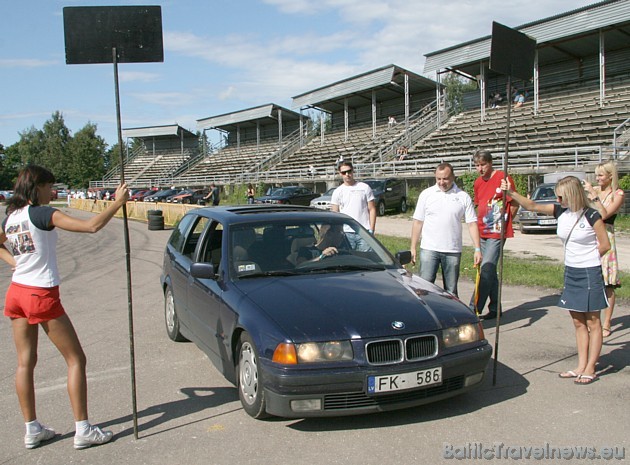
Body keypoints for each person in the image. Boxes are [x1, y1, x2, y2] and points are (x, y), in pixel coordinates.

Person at [0, 165, 130, 449]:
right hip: (39, 293)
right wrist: (117, 203)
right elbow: (91, 226)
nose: (53, 191)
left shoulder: (10, 218)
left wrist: (17, 265)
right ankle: (83, 429)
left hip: (17, 292)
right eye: (49, 186)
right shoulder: (42, 213)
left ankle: (32, 429)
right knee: (76, 359)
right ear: (37, 188)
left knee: (25, 362)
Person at [501, 176, 610, 384]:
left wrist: (587, 258)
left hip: (589, 272)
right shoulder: (561, 211)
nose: (558, 200)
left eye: (561, 196)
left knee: (593, 321)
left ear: (571, 194)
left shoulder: (591, 215)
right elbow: (532, 205)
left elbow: (605, 245)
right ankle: (580, 364)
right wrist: (511, 193)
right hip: (571, 272)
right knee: (578, 322)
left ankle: (590, 367)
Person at [410, 163, 482, 296]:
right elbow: (418, 222)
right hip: (429, 249)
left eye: (445, 179)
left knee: (451, 292)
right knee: (424, 289)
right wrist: (413, 247)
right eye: (438, 179)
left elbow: (472, 224)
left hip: (452, 251)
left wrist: (477, 249)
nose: (442, 182)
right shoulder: (426, 194)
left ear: (453, 177)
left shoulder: (463, 197)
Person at [471, 149, 519, 319]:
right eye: (477, 165)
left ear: (490, 163)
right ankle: (495, 308)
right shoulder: (477, 183)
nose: (480, 168)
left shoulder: (502, 178)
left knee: (487, 269)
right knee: (489, 270)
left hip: (497, 231)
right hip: (482, 229)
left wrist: (506, 222)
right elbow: (478, 204)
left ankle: (474, 307)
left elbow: (513, 203)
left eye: (483, 165)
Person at [583, 162, 625, 338]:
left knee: (608, 282)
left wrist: (594, 196)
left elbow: (605, 214)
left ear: (610, 176)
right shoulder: (594, 191)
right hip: (591, 235)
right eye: (596, 175)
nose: (598, 179)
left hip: (606, 235)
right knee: (592, 280)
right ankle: (593, 320)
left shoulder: (618, 194)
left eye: (601, 175)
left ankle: (607, 322)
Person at [331, 161, 376, 251]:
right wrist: (337, 233)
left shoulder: (364, 187)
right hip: (346, 233)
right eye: (344, 172)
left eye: (349, 171)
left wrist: (371, 230)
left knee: (366, 261)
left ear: (353, 171)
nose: (347, 174)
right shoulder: (337, 191)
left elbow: (372, 209)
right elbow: (334, 214)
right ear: (340, 174)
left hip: (364, 231)